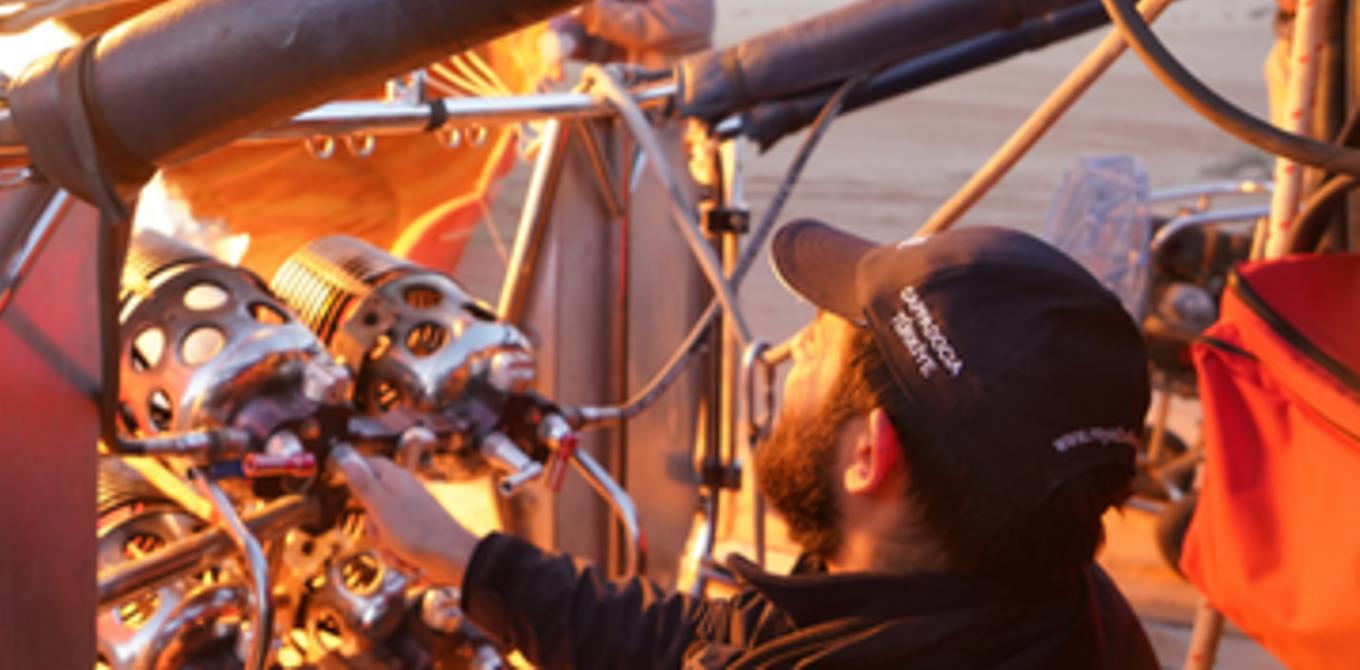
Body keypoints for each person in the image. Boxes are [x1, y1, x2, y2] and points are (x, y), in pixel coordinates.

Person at [334, 220, 1160, 668]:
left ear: (869, 458)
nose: (791, 352)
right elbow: (708, 639)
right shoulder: (1053, 602)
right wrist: (466, 559)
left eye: (819, 341)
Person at [549, 0, 715, 72]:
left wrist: (584, 9)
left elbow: (647, 26)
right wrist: (564, 38)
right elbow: (588, 31)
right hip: (620, 108)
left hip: (671, 109)